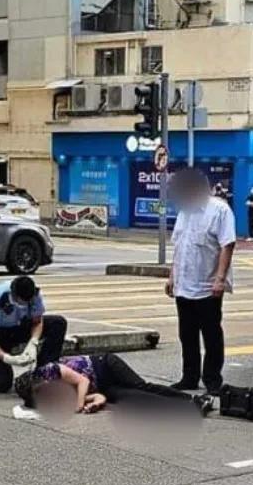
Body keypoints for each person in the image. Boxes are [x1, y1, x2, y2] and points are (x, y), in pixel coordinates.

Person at [165, 169, 236, 395]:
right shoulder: (184, 212)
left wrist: (220, 279)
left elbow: (227, 244)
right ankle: (189, 377)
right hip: (184, 285)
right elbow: (179, 246)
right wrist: (171, 277)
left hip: (207, 286)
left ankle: (212, 379)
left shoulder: (219, 210)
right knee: (187, 334)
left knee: (211, 334)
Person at [14, 353, 213, 416]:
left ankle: (195, 399)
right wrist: (93, 404)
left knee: (141, 387)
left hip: (106, 365)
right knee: (135, 400)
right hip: (102, 385)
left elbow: (82, 381)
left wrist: (78, 405)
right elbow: (97, 396)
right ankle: (186, 409)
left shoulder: (50, 371)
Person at [0, 276, 66, 393]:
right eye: (21, 301)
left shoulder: (34, 294)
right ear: (13, 294)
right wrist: (8, 358)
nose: (24, 304)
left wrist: (33, 342)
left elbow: (37, 322)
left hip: (19, 325)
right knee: (2, 384)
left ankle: (44, 371)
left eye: (27, 301)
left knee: (58, 323)